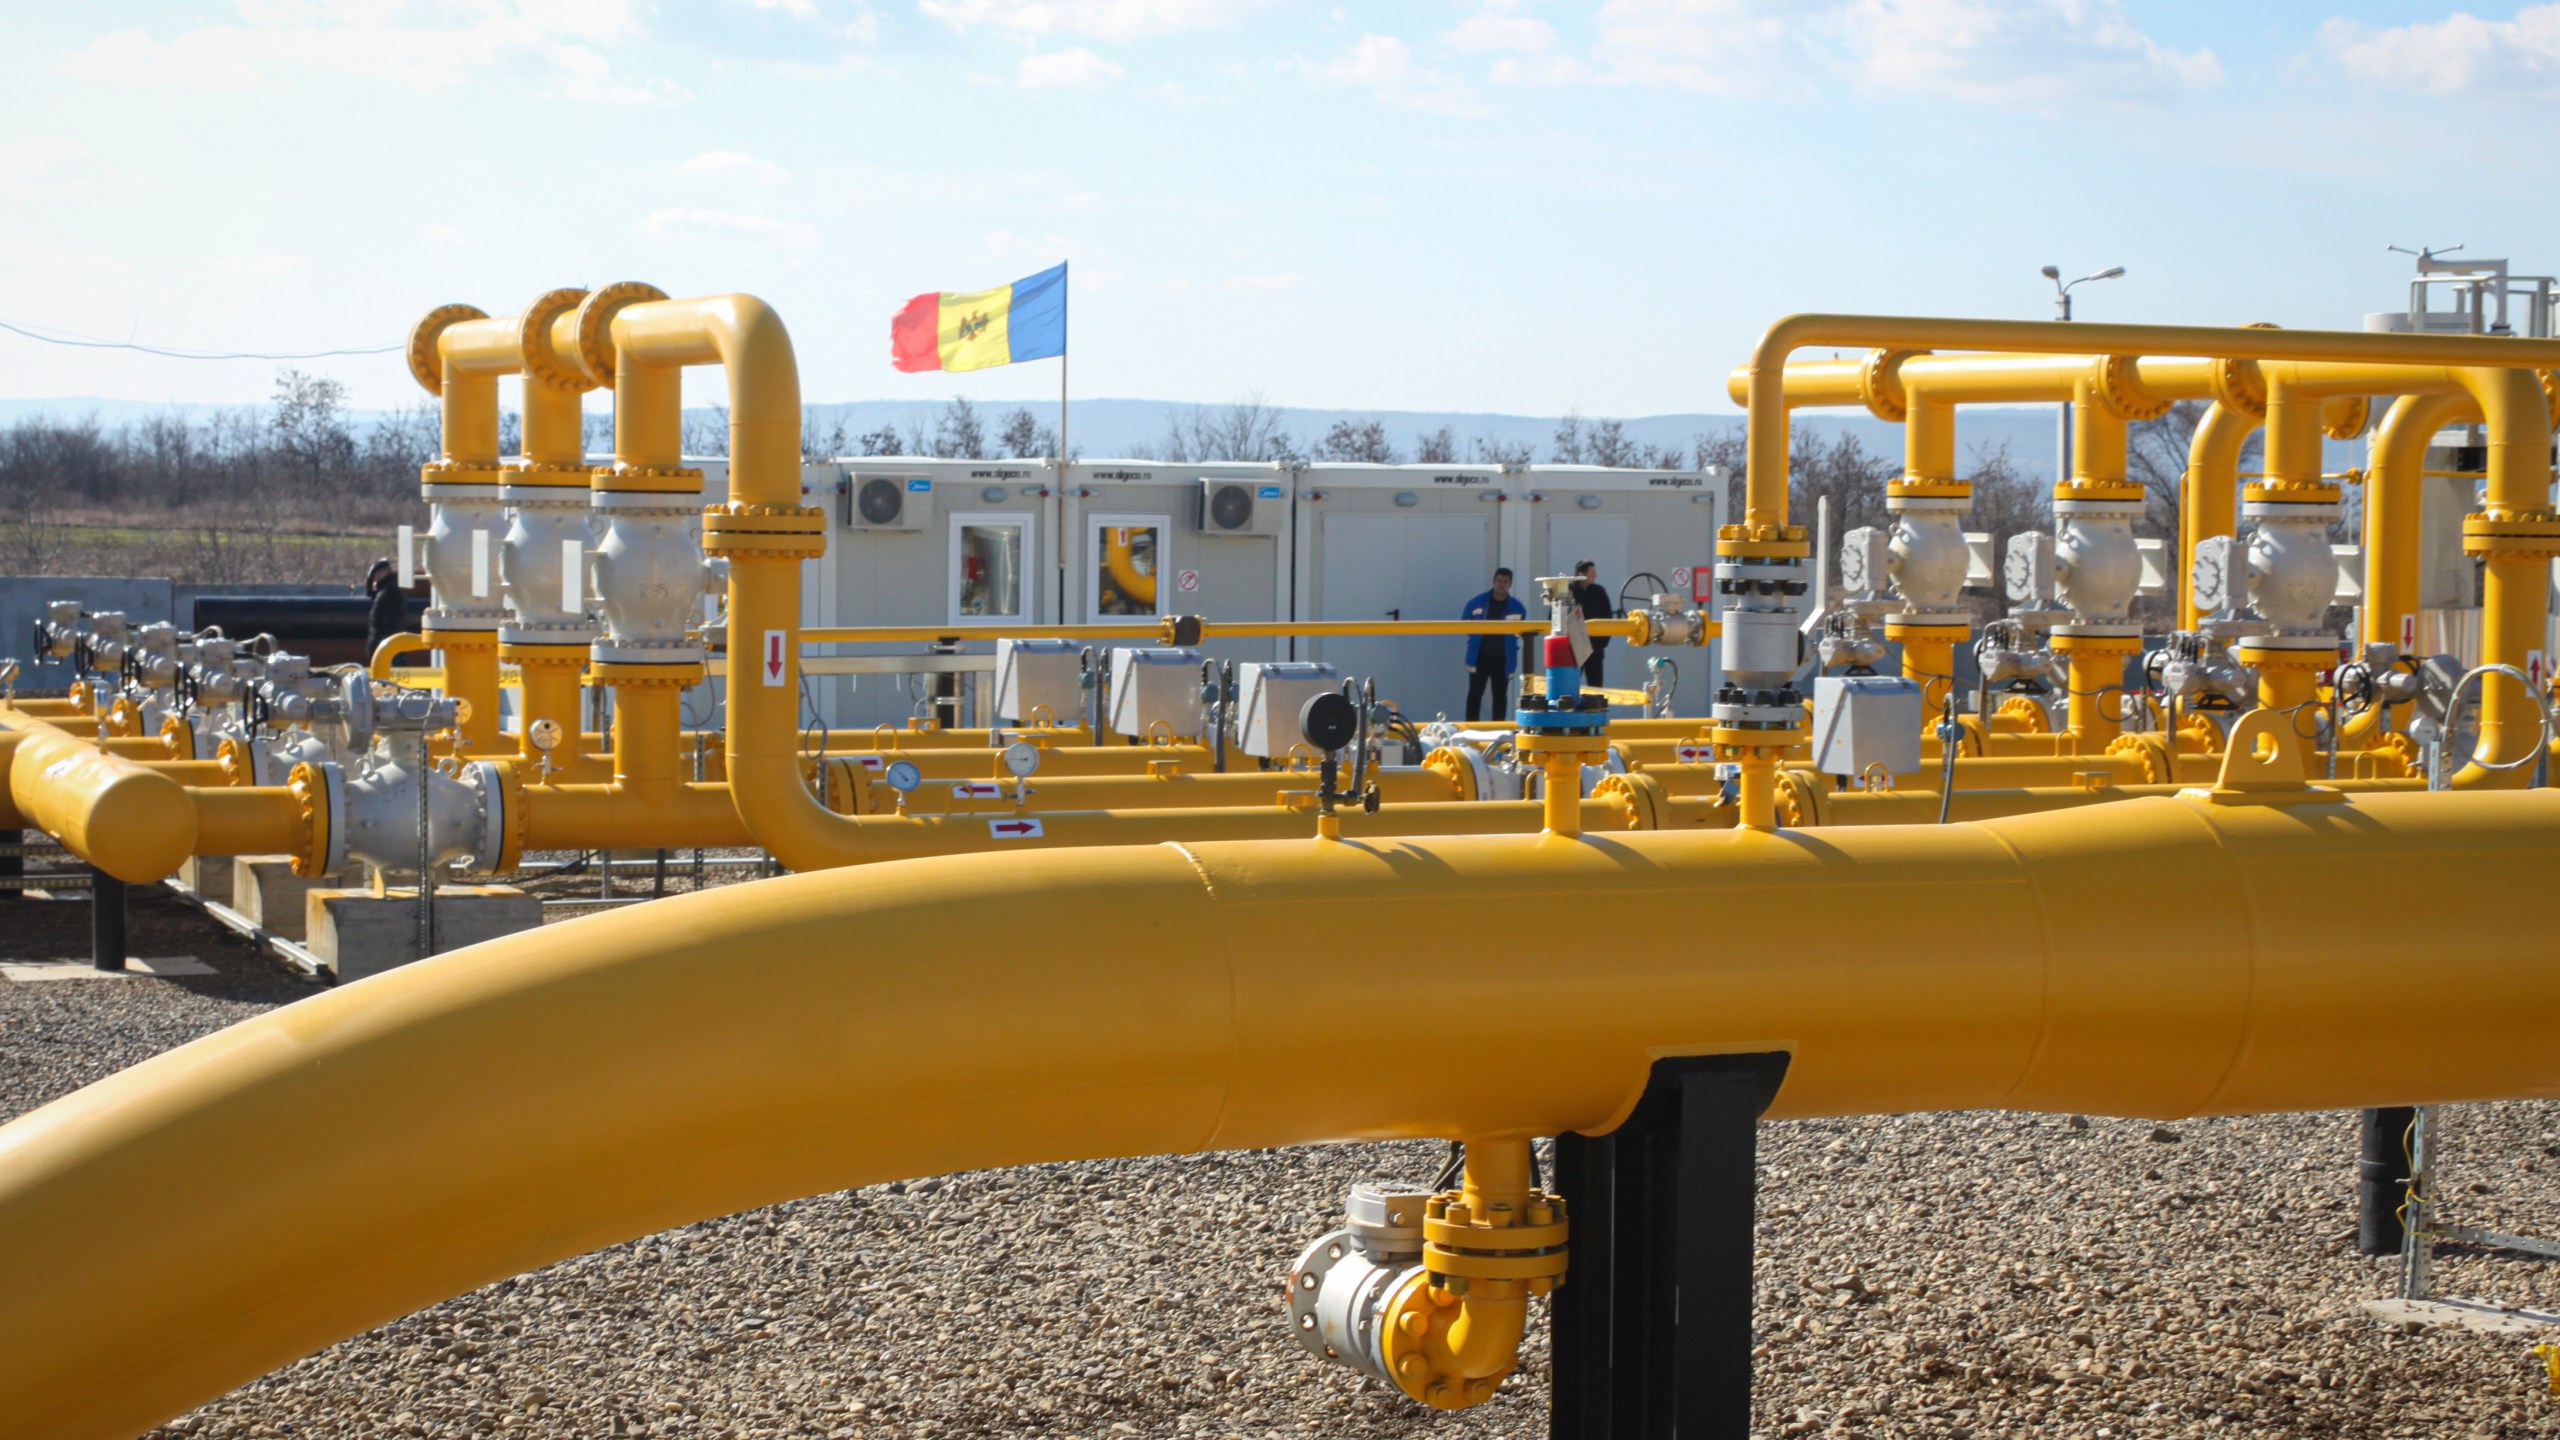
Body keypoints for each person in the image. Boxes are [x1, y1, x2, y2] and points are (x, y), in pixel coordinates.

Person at [1462, 567, 1527, 722]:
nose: (1501, 584)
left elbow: (1522, 632)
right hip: (1480, 658)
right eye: (1498, 580)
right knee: (1475, 694)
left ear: (1510, 584)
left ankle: (1499, 732)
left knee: (1499, 696)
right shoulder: (1477, 603)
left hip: (1503, 660)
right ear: (1493, 581)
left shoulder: (1517, 608)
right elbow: (1464, 622)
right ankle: (1470, 730)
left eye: (1505, 581)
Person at [1571, 560, 1617, 688]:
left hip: (1595, 648)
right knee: (1570, 686)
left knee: (1596, 687)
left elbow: (1607, 616)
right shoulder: (1568, 592)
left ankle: (1594, 708)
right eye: (1592, 572)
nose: (1595, 576)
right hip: (1573, 649)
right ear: (1581, 574)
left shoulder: (1599, 592)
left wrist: (1602, 642)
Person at [364, 557, 405, 657]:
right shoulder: (388, 590)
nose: (374, 580)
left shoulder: (388, 592)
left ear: (382, 573)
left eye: (375, 576)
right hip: (389, 646)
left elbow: (389, 624)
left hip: (386, 648)